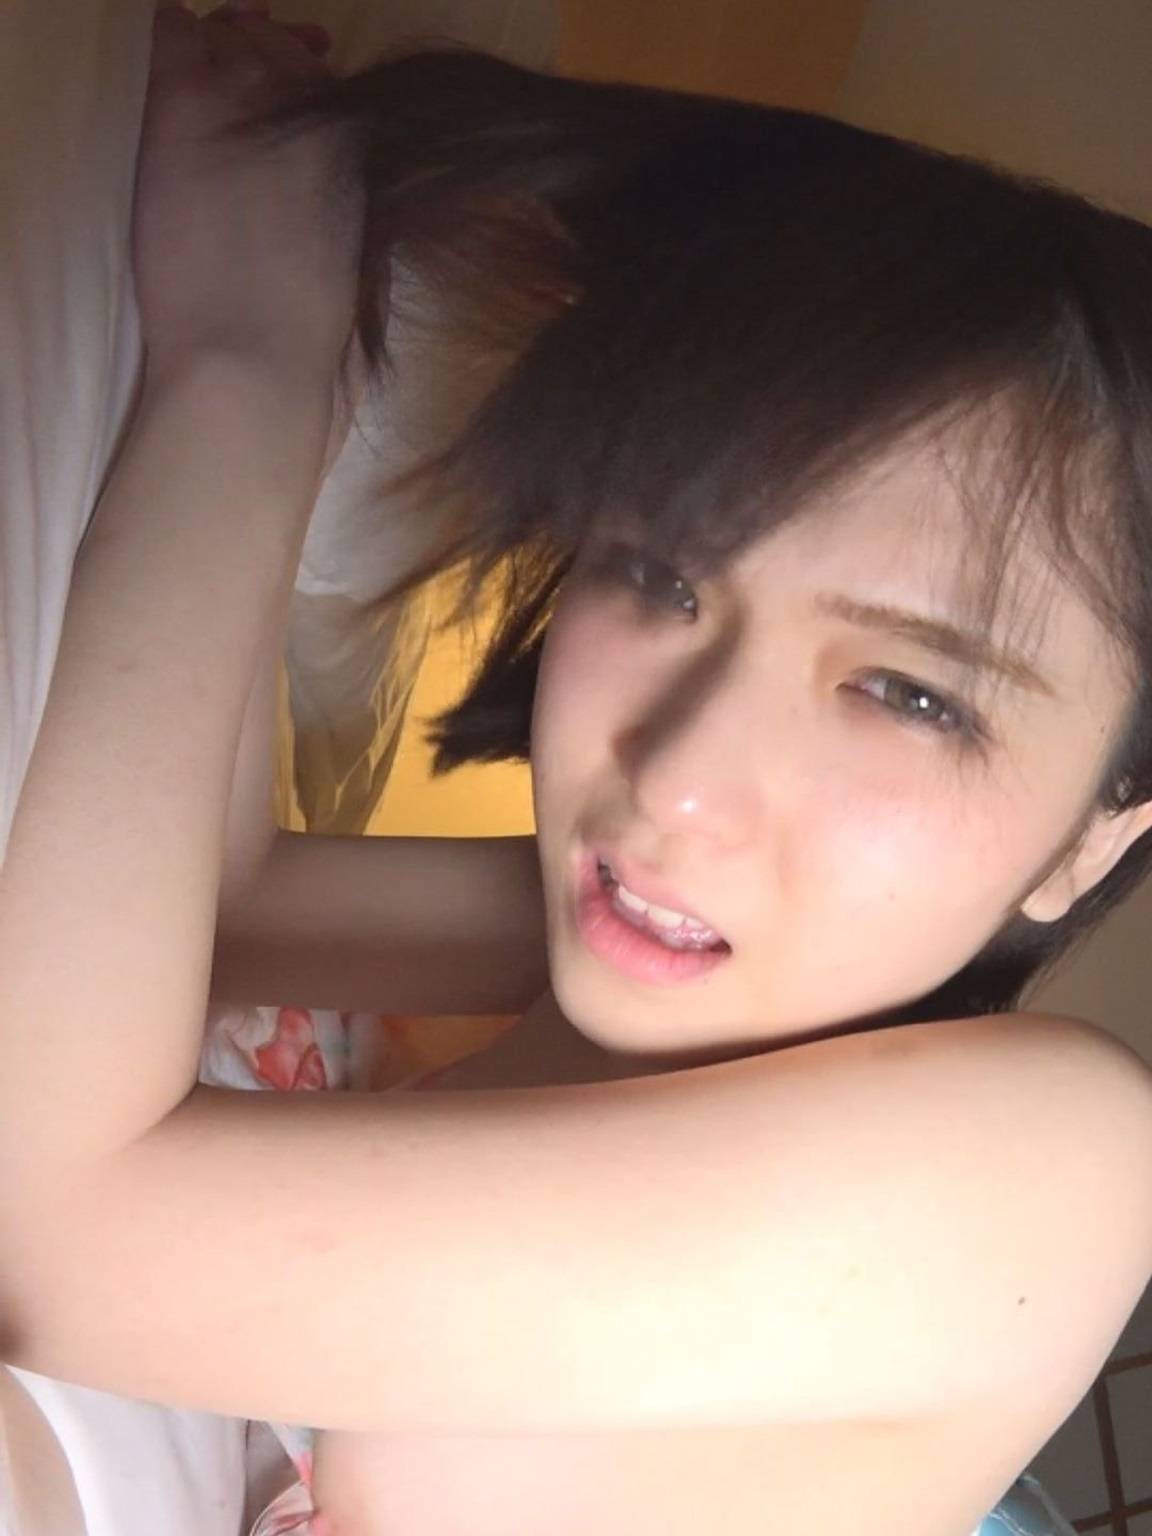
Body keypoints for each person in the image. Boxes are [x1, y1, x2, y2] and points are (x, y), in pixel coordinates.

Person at [2, 3, 1152, 1534]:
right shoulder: (691, 950)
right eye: (664, 577)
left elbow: (41, 1236)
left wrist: (240, 369)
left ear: (1097, 836)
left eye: (908, 694)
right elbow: (199, 917)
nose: (677, 782)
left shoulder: (1056, 1176)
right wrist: (319, 352)